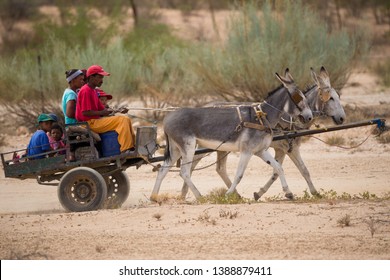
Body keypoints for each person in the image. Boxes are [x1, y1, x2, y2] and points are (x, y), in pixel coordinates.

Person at [75, 65, 135, 153]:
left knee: (126, 119)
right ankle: (125, 149)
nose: (102, 80)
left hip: (94, 121)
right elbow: (85, 113)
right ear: (91, 77)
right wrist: (102, 112)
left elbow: (102, 109)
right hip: (89, 123)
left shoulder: (93, 90)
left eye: (102, 77)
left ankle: (132, 146)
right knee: (122, 120)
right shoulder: (85, 91)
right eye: (99, 77)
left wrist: (118, 110)